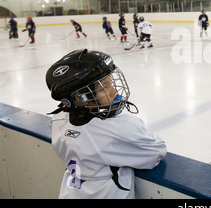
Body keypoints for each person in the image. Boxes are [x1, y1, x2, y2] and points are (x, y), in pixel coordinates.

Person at [45, 49, 166, 199]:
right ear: (80, 97)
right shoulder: (119, 129)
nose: (113, 89)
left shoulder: (57, 121)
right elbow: (156, 152)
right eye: (105, 87)